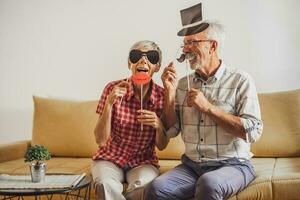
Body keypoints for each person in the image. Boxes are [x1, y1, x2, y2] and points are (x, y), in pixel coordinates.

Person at [146, 3, 263, 200]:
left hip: (233, 164)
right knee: (156, 189)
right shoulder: (183, 84)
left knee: (209, 183)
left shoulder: (240, 80)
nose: (186, 49)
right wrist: (170, 93)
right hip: (191, 167)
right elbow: (170, 131)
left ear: (213, 46)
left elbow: (253, 131)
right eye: (184, 44)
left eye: (192, 42)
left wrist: (208, 108)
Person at [92, 40, 168, 200]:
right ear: (129, 63)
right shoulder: (112, 88)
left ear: (157, 67)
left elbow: (162, 146)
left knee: (146, 185)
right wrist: (109, 105)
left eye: (151, 57)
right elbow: (100, 139)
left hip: (143, 161)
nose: (143, 60)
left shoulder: (162, 97)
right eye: (136, 55)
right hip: (110, 158)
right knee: (104, 184)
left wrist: (159, 125)